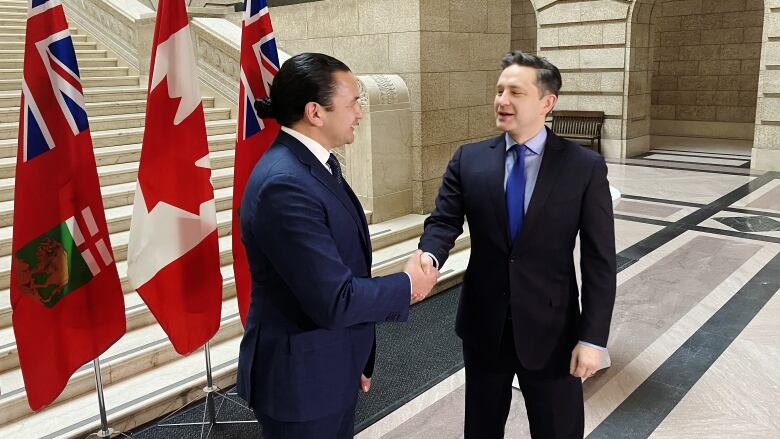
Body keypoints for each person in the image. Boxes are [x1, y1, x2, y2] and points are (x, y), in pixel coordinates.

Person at [236, 52, 439, 439]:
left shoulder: (317, 165)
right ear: (316, 112)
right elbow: (335, 298)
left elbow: (343, 266)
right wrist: (408, 284)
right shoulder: (285, 184)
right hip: (301, 384)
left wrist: (357, 357)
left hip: (331, 364)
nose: (360, 113)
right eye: (353, 103)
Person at [418, 51, 617, 438]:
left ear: (547, 102)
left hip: (553, 330)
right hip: (483, 327)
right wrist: (429, 254)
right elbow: (444, 221)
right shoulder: (469, 159)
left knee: (557, 429)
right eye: (498, 91)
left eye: (515, 92)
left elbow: (599, 261)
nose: (501, 101)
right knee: (481, 427)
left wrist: (592, 338)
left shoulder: (583, 167)